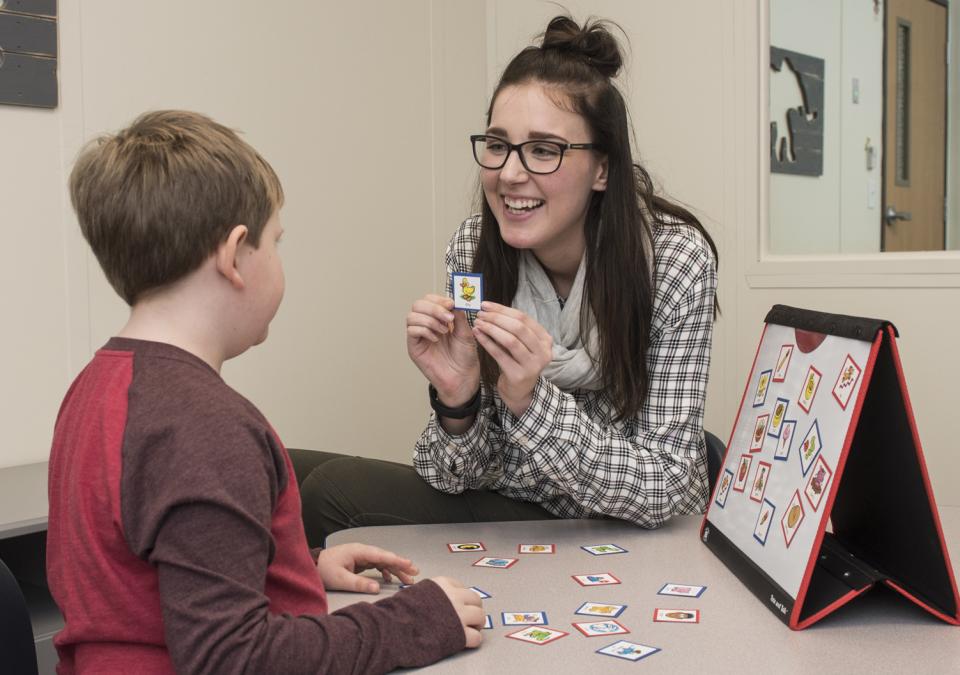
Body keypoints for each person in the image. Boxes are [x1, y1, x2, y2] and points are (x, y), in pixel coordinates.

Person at [46, 110, 482, 674]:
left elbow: (152, 570)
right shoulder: (204, 426)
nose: (279, 259)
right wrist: (414, 622)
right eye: (275, 242)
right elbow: (234, 658)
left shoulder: (96, 387)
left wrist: (294, 565)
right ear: (234, 256)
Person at [296, 15, 718, 545]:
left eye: (544, 150)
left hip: (620, 530)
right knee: (283, 471)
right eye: (497, 145)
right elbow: (462, 473)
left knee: (330, 492)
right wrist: (458, 401)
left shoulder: (675, 262)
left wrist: (530, 402)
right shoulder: (472, 250)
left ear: (603, 169)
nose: (510, 174)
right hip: (513, 505)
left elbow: (671, 486)